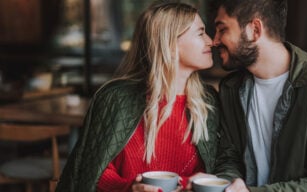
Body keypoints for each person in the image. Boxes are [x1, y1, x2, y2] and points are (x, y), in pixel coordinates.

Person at [56, 2, 220, 192]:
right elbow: (92, 172)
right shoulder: (116, 98)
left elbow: (220, 168)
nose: (211, 41)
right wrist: (129, 188)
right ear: (170, 43)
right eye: (200, 33)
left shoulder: (209, 101)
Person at [211, 0, 307, 191]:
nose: (214, 40)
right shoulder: (231, 87)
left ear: (255, 30)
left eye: (222, 30)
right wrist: (226, 185)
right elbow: (229, 158)